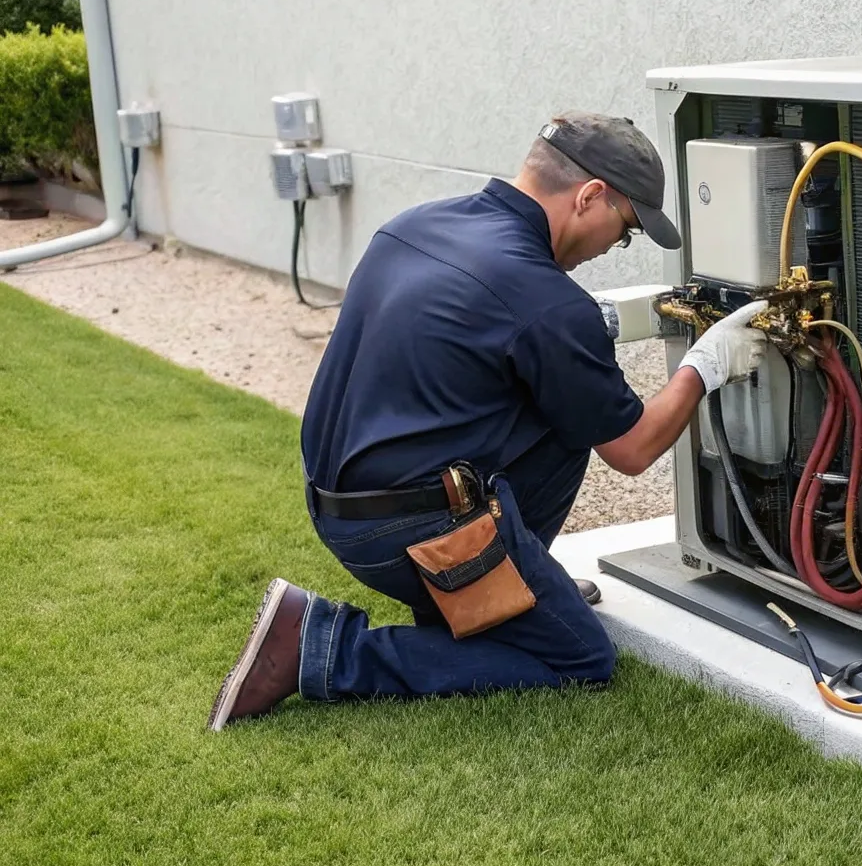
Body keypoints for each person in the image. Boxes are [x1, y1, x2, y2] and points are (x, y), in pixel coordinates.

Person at [208, 111, 767, 730]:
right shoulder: (546, 300)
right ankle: (324, 649)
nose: (617, 245)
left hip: (334, 505)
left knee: (568, 422)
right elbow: (632, 449)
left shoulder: (414, 225)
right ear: (590, 197)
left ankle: (505, 595)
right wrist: (704, 366)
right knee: (578, 655)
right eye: (627, 228)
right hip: (406, 533)